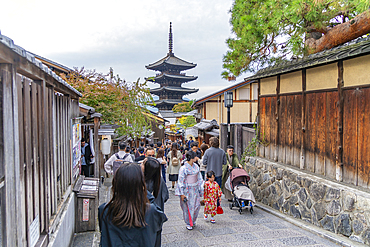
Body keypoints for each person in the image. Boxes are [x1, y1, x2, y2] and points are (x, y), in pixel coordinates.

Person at [99, 163, 167, 247]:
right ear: (141, 184)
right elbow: (156, 240)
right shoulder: (151, 211)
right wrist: (145, 193)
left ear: (116, 183)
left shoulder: (105, 210)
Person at [141, 157, 169, 247]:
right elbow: (166, 196)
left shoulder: (141, 182)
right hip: (157, 215)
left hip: (144, 216)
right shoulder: (160, 180)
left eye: (143, 164)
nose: (140, 164)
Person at [175, 150, 204, 230]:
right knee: (188, 206)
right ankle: (188, 222)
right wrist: (181, 193)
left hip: (195, 188)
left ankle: (193, 220)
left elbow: (199, 178)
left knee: (196, 206)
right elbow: (181, 181)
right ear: (191, 158)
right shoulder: (183, 168)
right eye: (195, 156)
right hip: (187, 189)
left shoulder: (196, 166)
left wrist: (201, 187)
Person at [202, 137, 226, 206]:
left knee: (209, 190)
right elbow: (224, 162)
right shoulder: (222, 151)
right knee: (217, 190)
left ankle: (209, 204)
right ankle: (217, 204)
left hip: (209, 174)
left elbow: (204, 162)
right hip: (218, 173)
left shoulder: (207, 151)